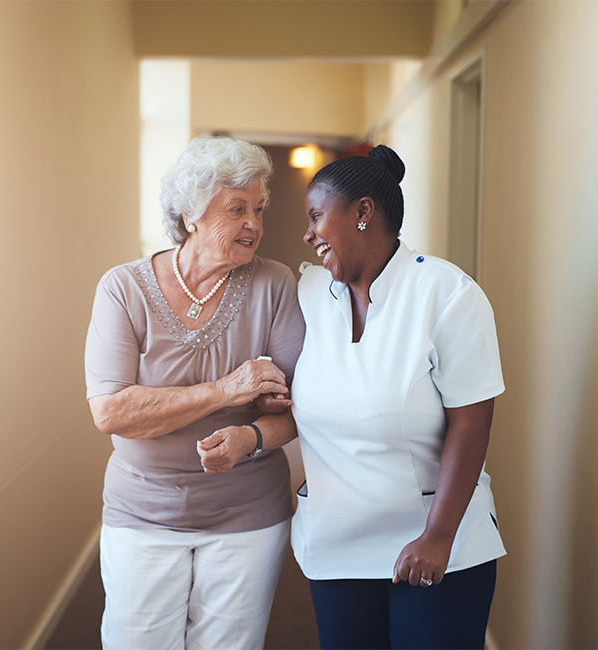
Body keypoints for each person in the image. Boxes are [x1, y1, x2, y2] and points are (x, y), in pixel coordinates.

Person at [84, 136, 305, 650]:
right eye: (236, 209)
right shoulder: (124, 289)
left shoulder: (275, 285)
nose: (254, 222)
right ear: (190, 216)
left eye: (258, 208)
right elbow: (112, 411)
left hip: (247, 513)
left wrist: (250, 436)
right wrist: (230, 389)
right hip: (142, 511)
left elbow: (299, 410)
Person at [291, 145, 505, 649]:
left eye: (317, 216)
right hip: (336, 548)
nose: (308, 233)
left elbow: (471, 422)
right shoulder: (309, 297)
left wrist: (438, 536)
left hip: (432, 548)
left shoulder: (447, 294)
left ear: (364, 212)